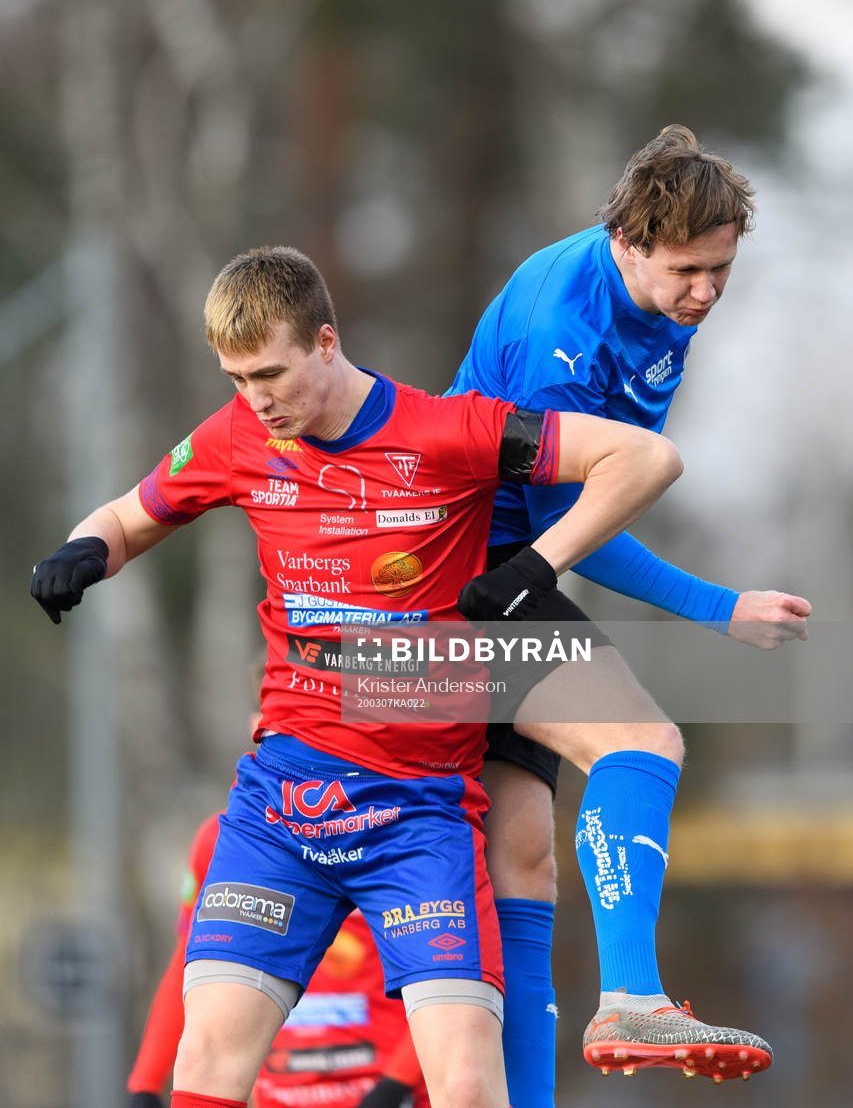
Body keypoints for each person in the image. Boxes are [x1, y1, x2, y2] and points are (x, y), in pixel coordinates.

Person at [30, 243, 705, 1108]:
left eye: (270, 374)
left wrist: (535, 566)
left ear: (325, 341)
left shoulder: (446, 431)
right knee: (203, 1066)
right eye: (237, 379)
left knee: (467, 1082)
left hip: (417, 817)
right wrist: (87, 549)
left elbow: (644, 459)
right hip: (283, 805)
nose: (256, 399)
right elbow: (129, 516)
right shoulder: (238, 436)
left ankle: (631, 995)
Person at [447, 124, 812, 1093]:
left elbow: (590, 511)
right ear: (627, 242)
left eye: (720, 270)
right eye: (687, 271)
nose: (706, 292)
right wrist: (719, 605)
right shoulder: (558, 339)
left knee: (522, 869)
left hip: (501, 573)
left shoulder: (659, 305)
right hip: (468, 577)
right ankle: (629, 997)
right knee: (640, 744)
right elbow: (572, 532)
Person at [128, 687, 427, 1108]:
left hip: (389, 1092)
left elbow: (444, 974)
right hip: (280, 1093)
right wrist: (144, 1084)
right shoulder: (224, 841)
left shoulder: (406, 831)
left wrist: (395, 1086)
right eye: (266, 718)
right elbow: (190, 965)